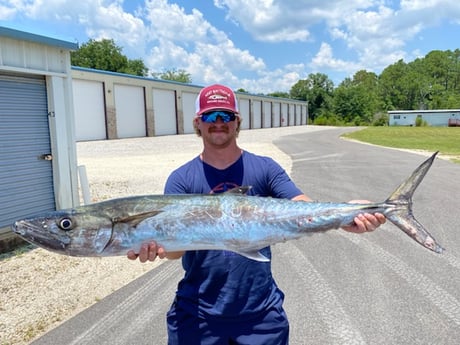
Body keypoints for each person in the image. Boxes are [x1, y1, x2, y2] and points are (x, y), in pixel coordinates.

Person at [127, 84, 386, 344]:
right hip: (197, 315)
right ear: (198, 122)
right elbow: (176, 252)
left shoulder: (265, 168)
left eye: (226, 116)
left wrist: (347, 213)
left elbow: (302, 206)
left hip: (261, 315)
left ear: (237, 121)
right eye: (210, 116)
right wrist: (154, 248)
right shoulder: (181, 179)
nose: (219, 123)